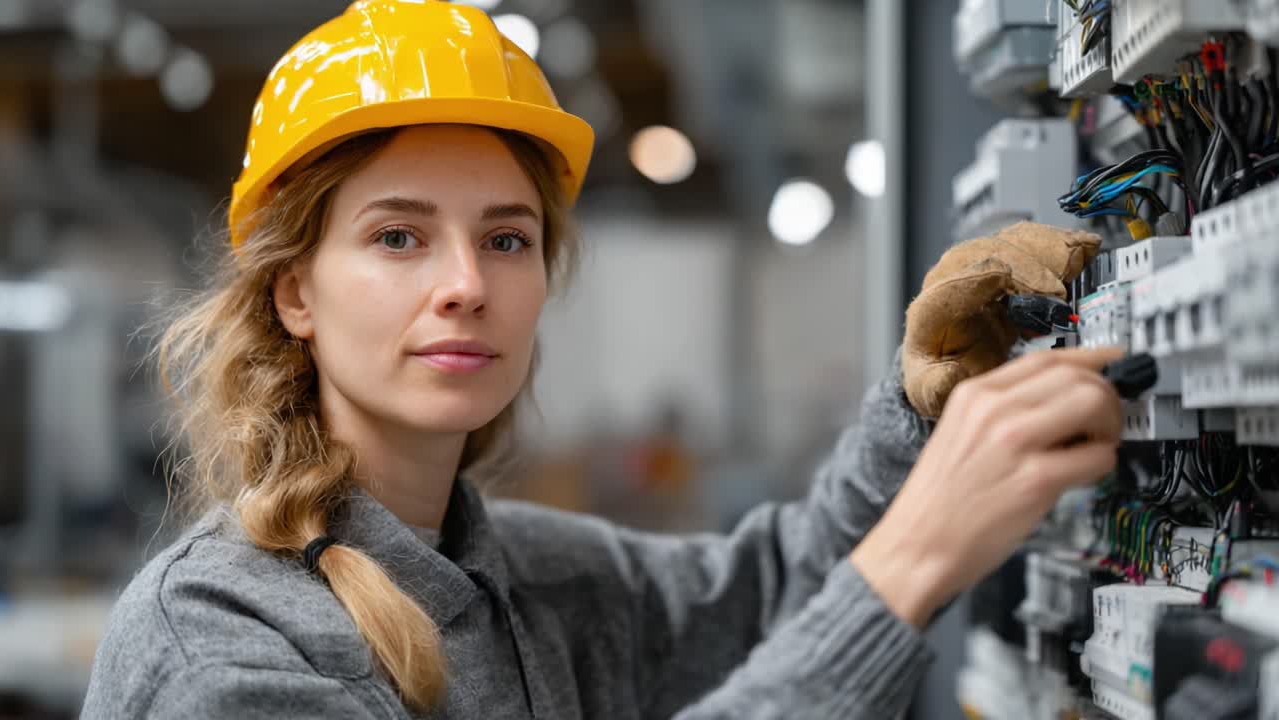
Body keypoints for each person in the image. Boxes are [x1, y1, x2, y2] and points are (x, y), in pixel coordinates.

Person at [81, 2, 1124, 718]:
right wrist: (906, 568)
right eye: (397, 237)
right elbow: (855, 592)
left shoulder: (540, 582)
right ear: (293, 291)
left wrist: (915, 408)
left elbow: (778, 591)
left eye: (505, 238)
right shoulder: (219, 644)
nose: (466, 284)